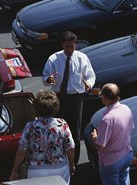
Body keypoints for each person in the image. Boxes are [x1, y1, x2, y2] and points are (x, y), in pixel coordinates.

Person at [42, 31, 96, 165]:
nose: (70, 49)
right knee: (55, 129)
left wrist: (88, 84)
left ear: (76, 45)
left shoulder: (82, 58)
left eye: (72, 46)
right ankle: (58, 158)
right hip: (58, 98)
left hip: (76, 99)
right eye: (67, 46)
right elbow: (45, 79)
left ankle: (74, 162)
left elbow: (90, 75)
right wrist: (49, 80)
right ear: (62, 45)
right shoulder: (53, 59)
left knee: (74, 132)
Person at [9, 90, 75, 184]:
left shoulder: (30, 126)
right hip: (60, 168)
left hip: (36, 170)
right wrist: (72, 164)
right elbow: (70, 147)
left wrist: (15, 169)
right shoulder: (62, 124)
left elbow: (21, 151)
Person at [91, 83, 134, 185]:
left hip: (112, 161)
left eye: (101, 95)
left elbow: (100, 147)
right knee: (124, 181)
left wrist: (94, 138)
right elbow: (129, 128)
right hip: (127, 154)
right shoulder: (126, 108)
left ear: (106, 98)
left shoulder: (107, 119)